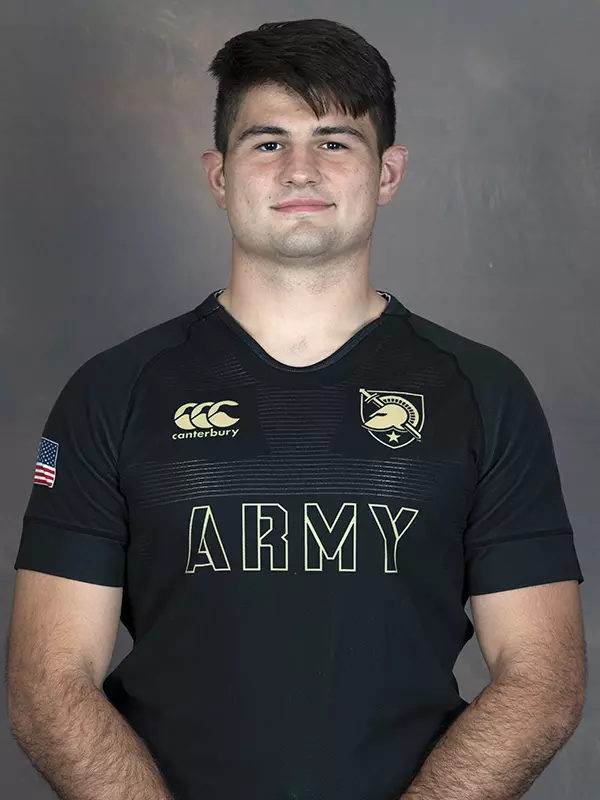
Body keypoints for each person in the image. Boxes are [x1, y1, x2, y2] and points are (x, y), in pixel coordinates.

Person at [7, 17, 585, 800]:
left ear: (388, 173)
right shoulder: (114, 392)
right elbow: (48, 682)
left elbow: (543, 679)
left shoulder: (483, 393)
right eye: (268, 142)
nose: (300, 171)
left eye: (336, 142)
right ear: (220, 173)